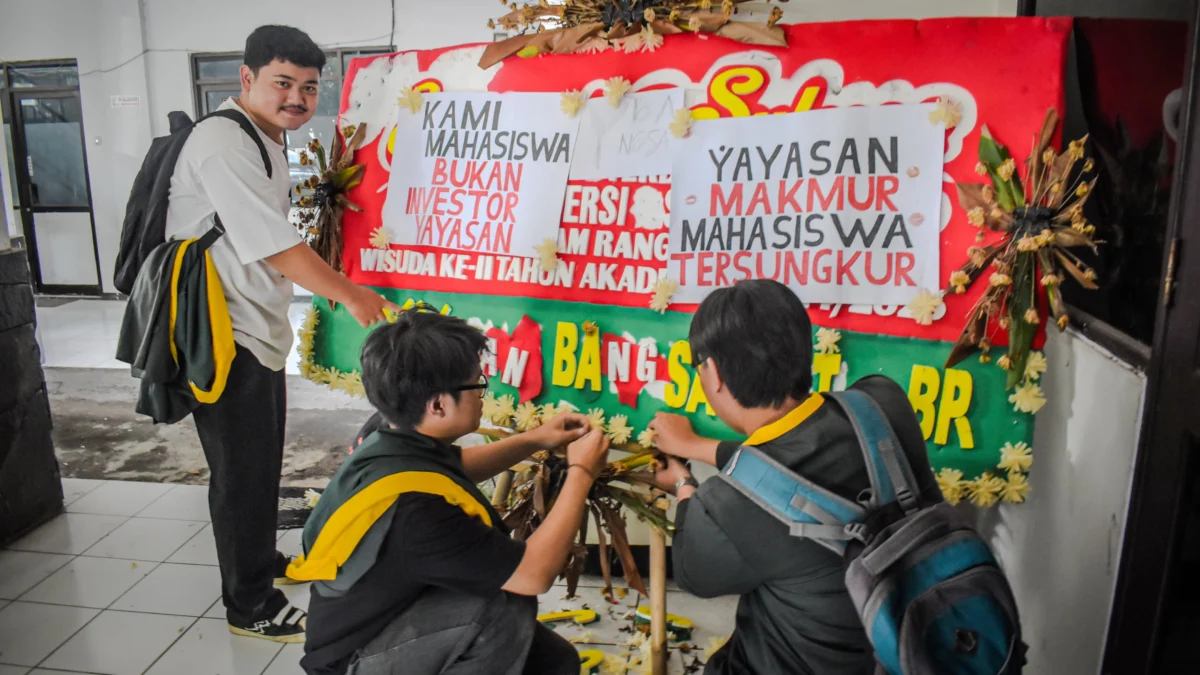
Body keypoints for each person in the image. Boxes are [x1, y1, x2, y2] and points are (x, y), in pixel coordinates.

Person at [165, 25, 399, 642]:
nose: (296, 97)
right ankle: (250, 605)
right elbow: (274, 245)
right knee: (241, 470)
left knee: (260, 459)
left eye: (308, 87)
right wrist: (349, 293)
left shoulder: (263, 136)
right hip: (220, 331)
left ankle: (260, 562)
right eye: (282, 83)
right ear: (247, 78)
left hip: (254, 327)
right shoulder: (223, 142)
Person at [643, 279, 942, 675]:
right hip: (921, 643)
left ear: (712, 373)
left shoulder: (725, 508)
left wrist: (683, 486)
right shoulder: (881, 405)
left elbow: (694, 573)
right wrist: (698, 446)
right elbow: (794, 464)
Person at [296, 309, 610, 675]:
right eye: (477, 383)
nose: (482, 393)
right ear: (438, 405)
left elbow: (451, 468)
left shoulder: (388, 431)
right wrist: (582, 471)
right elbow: (533, 574)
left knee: (555, 662)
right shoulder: (417, 513)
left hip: (385, 616)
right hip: (357, 658)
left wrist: (535, 438)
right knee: (505, 607)